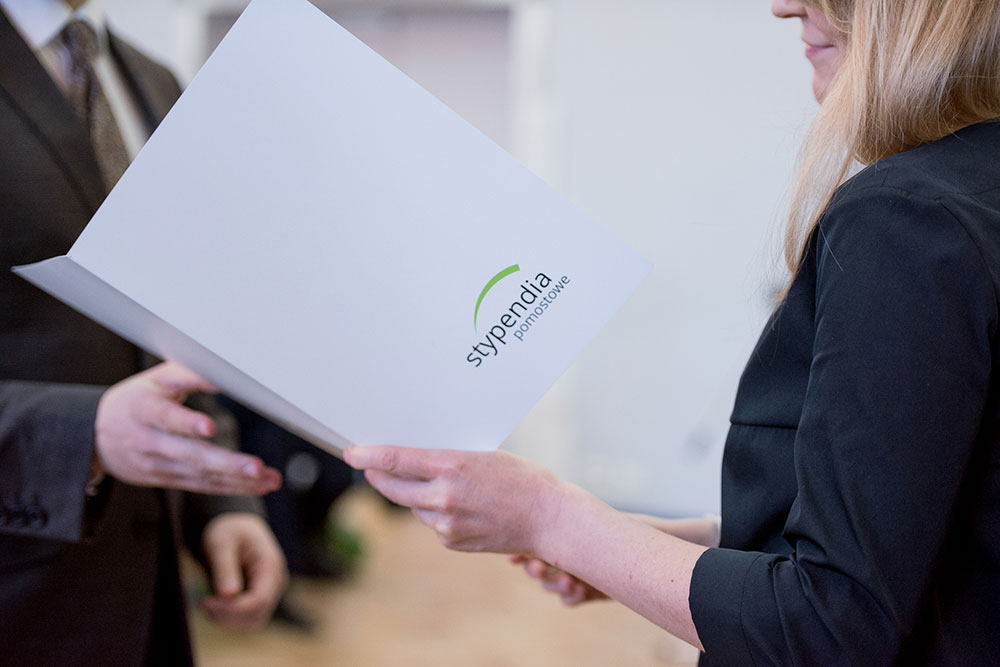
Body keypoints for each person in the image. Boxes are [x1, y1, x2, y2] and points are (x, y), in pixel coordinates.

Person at [345, 0, 1000, 664]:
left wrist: (549, 516)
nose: (784, 6)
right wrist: (630, 549)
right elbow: (933, 538)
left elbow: (829, 625)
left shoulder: (907, 219)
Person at [0, 0, 287, 663]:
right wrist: (83, 434)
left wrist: (223, 504)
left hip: (146, 599)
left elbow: (172, 324)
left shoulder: (154, 81)